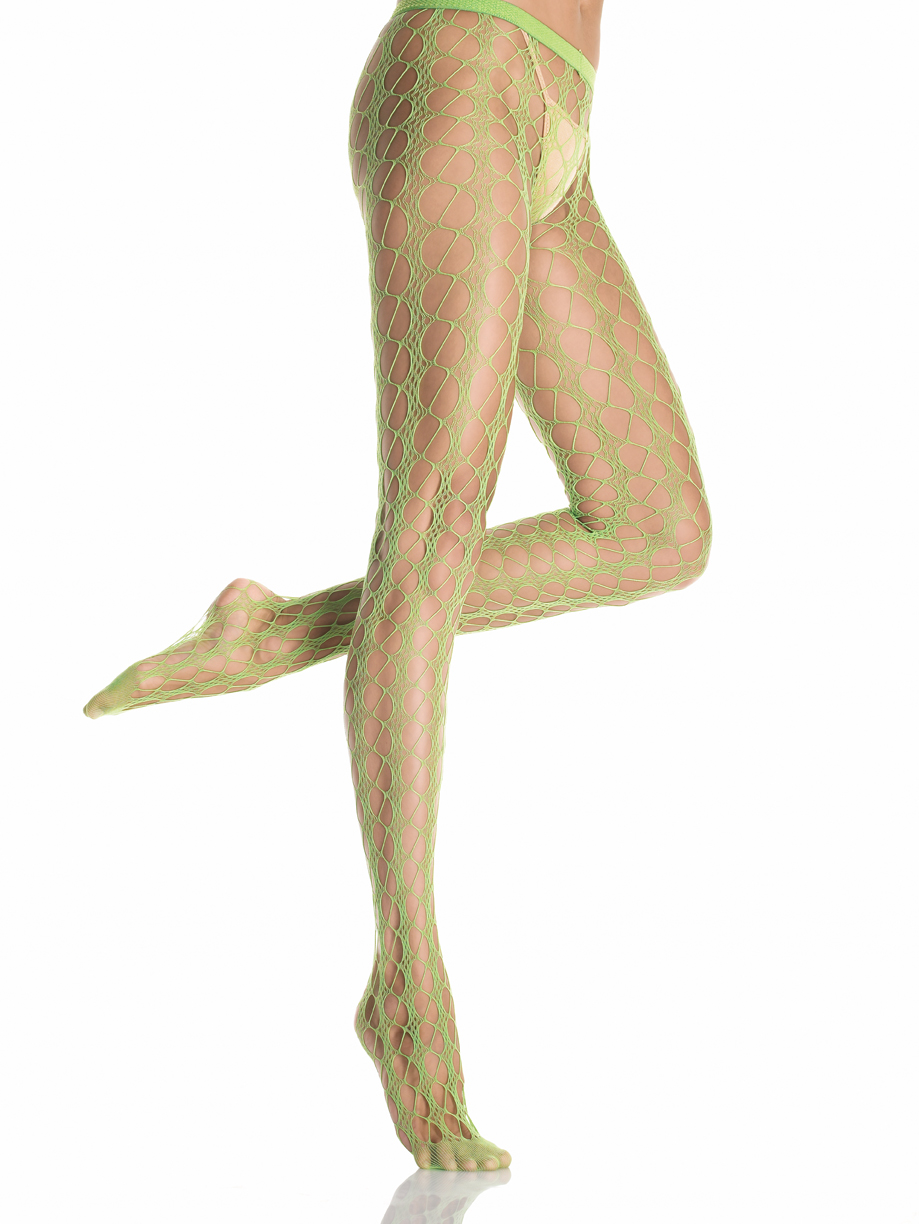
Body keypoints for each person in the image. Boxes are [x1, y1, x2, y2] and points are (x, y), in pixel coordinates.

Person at [83, 0, 712, 1172]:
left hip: (559, 109)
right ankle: (404, 984)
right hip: (462, 71)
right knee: (432, 520)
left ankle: (277, 630)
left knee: (658, 527)